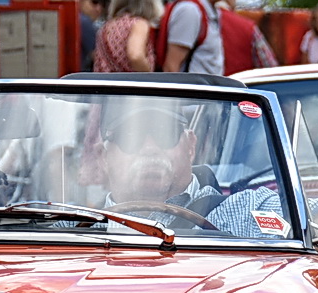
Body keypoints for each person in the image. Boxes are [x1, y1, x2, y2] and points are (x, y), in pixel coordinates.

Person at [95, 100, 287, 239]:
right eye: (130, 137)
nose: (150, 149)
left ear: (190, 146)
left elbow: (313, 218)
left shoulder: (241, 213)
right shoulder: (71, 224)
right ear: (103, 157)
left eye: (165, 133)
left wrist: (317, 218)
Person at [94, 0, 161, 73]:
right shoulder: (139, 24)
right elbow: (135, 56)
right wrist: (149, 75)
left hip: (104, 85)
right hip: (128, 86)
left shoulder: (107, 26)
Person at [72, 0, 111, 71]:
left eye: (103, 4)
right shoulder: (84, 22)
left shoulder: (73, 18)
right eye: (94, 2)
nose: (99, 8)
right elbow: (100, 59)